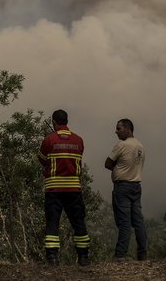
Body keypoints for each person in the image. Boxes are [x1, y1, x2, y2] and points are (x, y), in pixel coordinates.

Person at [38, 109, 91, 267]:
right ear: (66, 121)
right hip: (74, 189)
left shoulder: (49, 139)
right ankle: (83, 257)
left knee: (52, 222)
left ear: (54, 122)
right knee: (78, 222)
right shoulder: (79, 140)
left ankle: (52, 258)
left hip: (54, 189)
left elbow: (42, 159)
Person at [104, 118, 148, 261]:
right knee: (138, 221)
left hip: (123, 187)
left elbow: (108, 163)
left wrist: (118, 166)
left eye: (119, 128)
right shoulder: (140, 146)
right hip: (136, 186)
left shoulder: (122, 145)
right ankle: (142, 253)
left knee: (124, 222)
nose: (116, 131)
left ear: (128, 129)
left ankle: (120, 254)